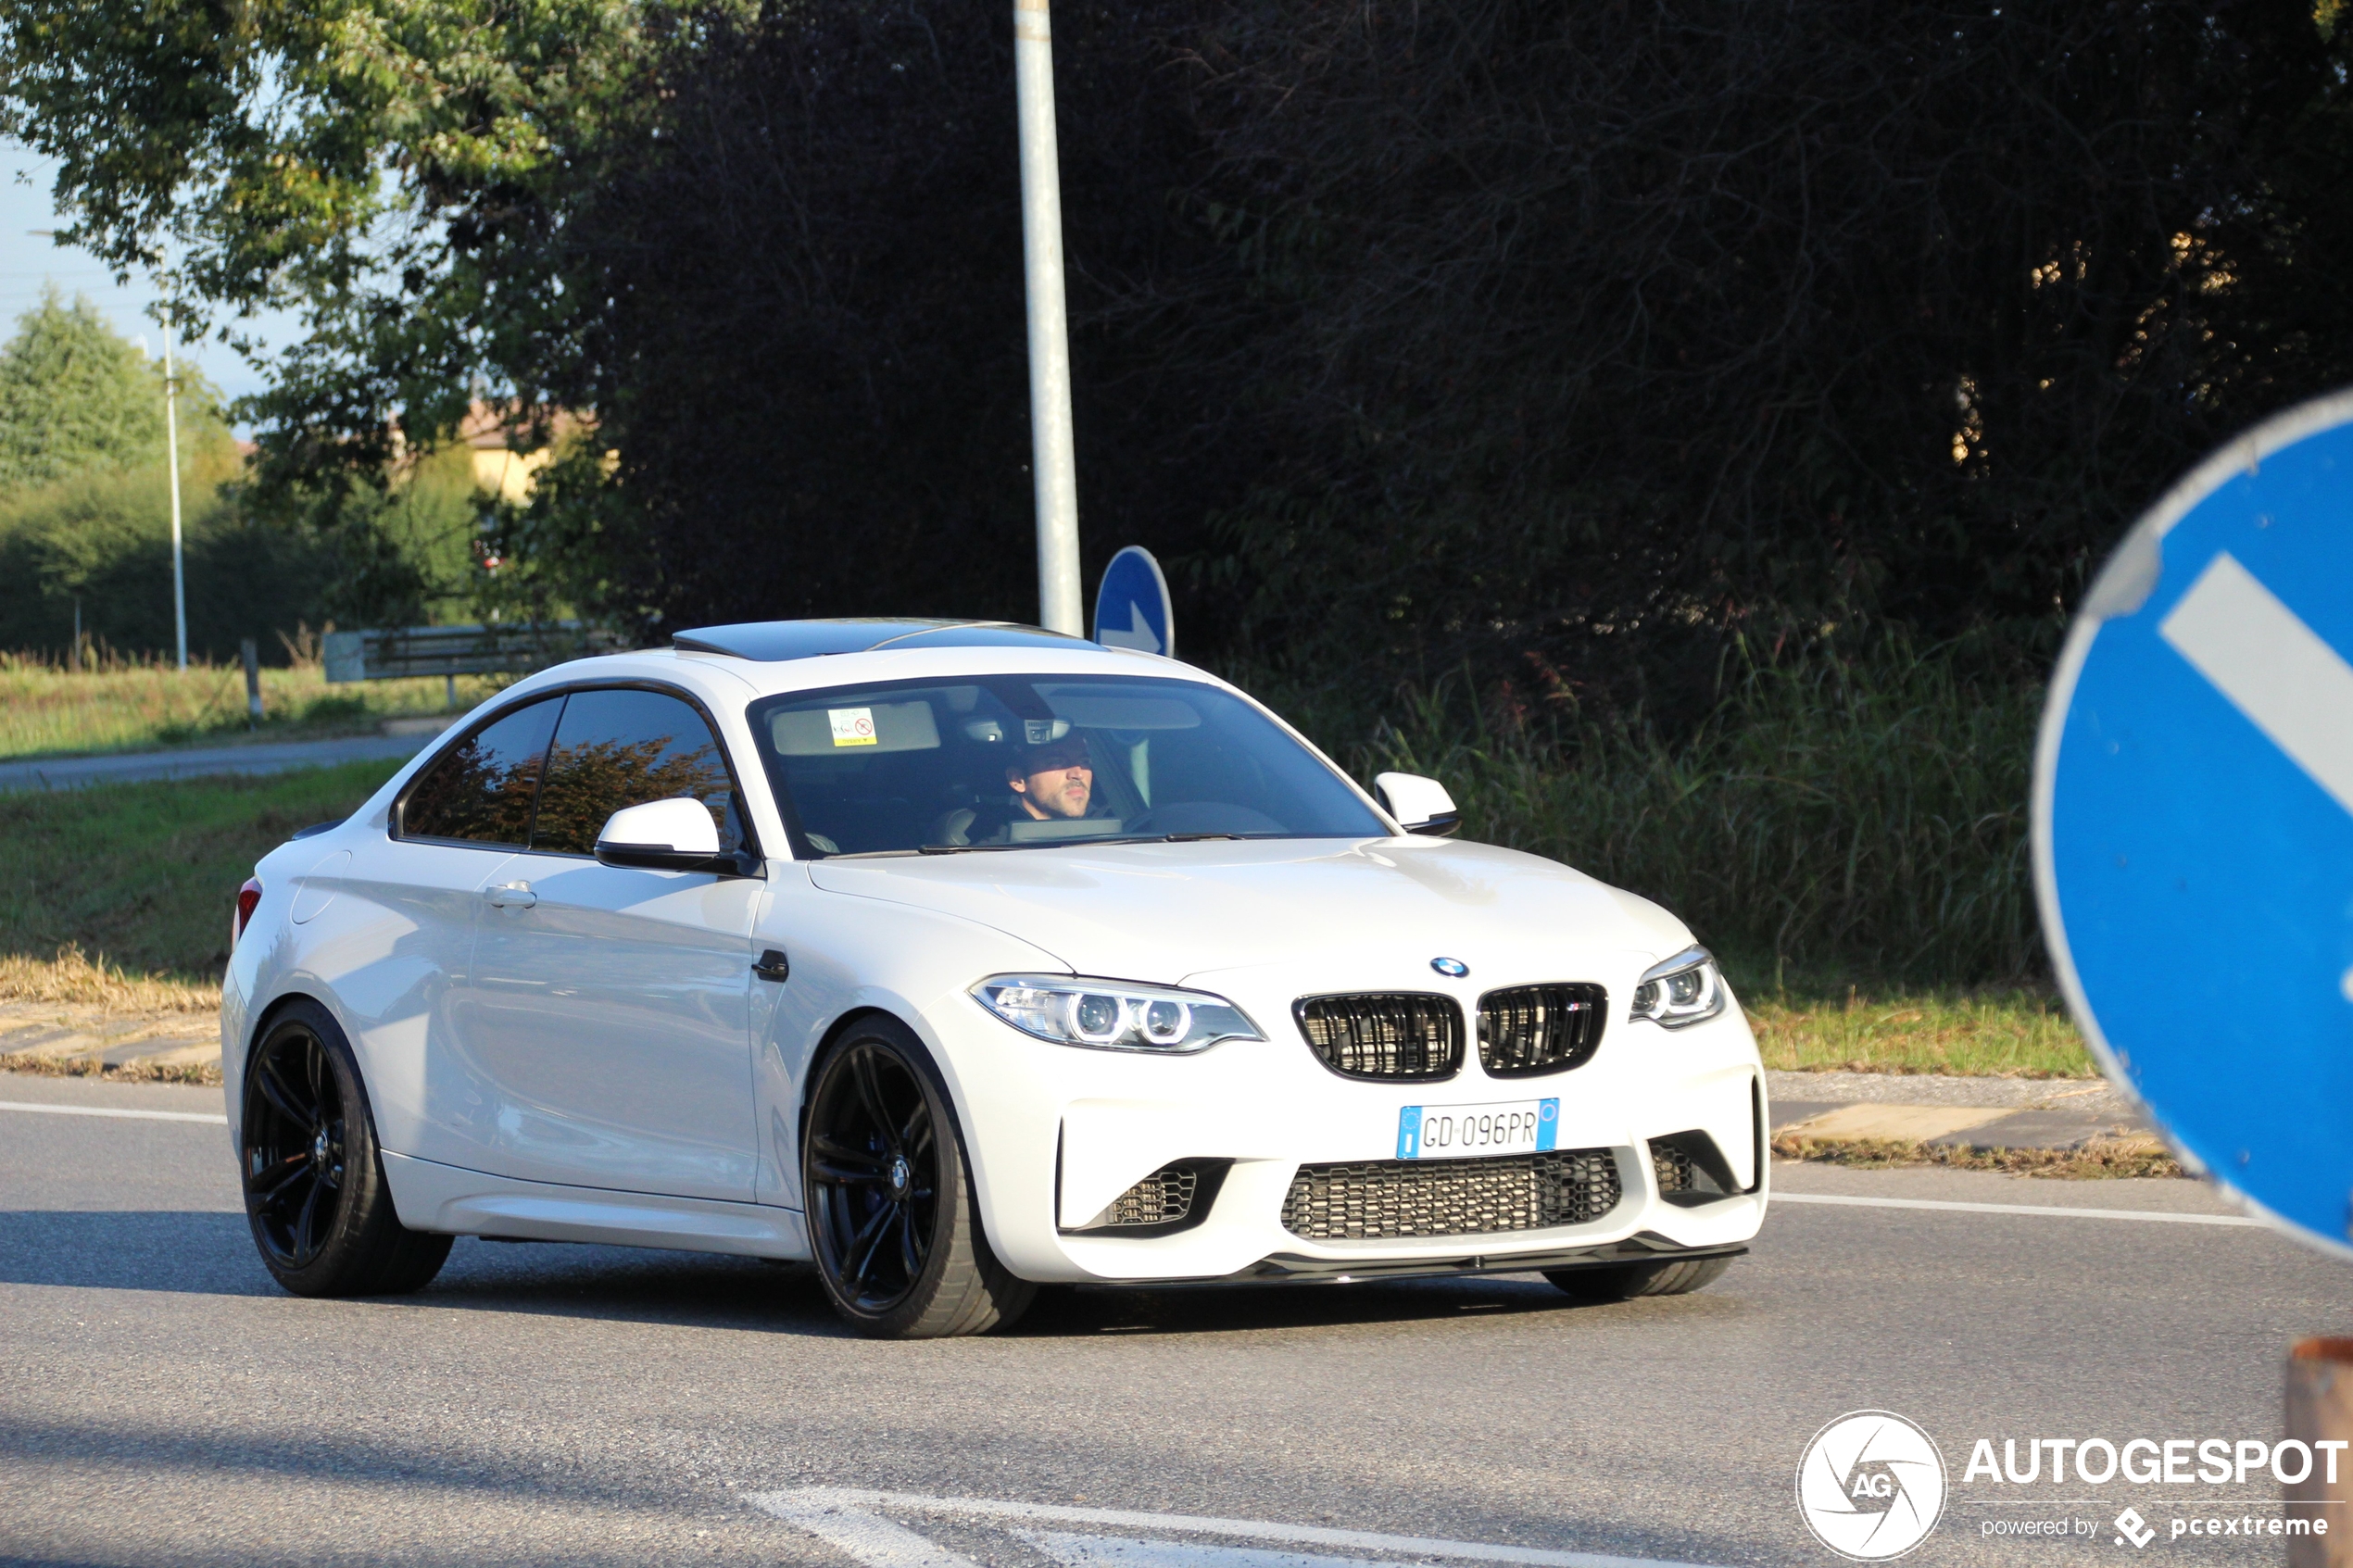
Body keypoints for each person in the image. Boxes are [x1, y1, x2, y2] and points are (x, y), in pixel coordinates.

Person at [1007, 734, 1093, 820]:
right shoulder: (999, 831)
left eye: (1085, 762)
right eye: (1057, 762)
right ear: (1018, 780)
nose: (1079, 774)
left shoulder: (1104, 823)